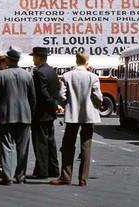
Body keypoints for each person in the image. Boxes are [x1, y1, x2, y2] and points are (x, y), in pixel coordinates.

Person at [50, 50, 102, 187]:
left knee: (68, 145)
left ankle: (66, 176)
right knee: (86, 146)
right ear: (87, 61)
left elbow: (61, 96)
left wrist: (66, 104)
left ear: (76, 60)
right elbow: (98, 97)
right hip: (89, 115)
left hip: (72, 115)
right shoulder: (93, 77)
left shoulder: (67, 76)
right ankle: (82, 179)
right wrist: (95, 105)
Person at [0, 46, 35, 185]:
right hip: (25, 115)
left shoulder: (1, 75)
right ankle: (20, 176)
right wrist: (31, 114)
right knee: (22, 148)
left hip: (6, 115)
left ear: (8, 59)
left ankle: (7, 176)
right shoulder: (28, 75)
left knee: (6, 146)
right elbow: (32, 98)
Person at [29, 46, 60, 180]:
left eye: (34, 57)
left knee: (40, 142)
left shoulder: (39, 73)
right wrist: (55, 106)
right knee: (50, 142)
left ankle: (42, 170)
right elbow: (55, 92)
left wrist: (52, 105)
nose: (33, 60)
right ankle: (53, 169)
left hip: (40, 113)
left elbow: (42, 94)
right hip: (50, 113)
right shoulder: (52, 71)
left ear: (38, 57)